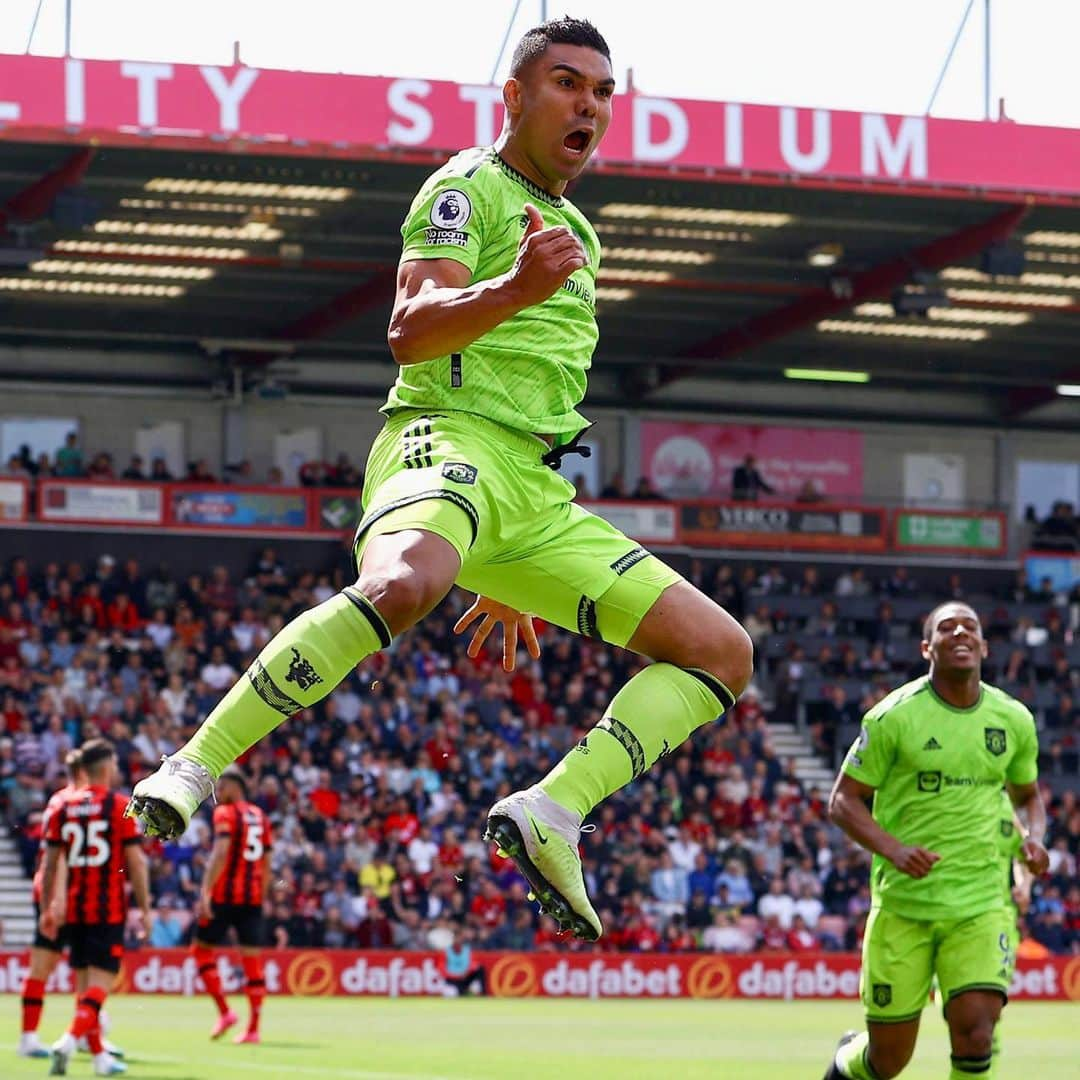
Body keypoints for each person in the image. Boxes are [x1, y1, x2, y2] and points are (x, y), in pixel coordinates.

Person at [128, 16, 751, 947]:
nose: (590, 105)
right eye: (569, 83)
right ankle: (194, 762)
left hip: (532, 494)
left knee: (722, 653)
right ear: (515, 96)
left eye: (604, 92)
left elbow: (536, 389)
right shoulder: (470, 184)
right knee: (404, 585)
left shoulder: (578, 229)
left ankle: (554, 811)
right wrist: (511, 291)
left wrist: (507, 575)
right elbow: (410, 330)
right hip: (443, 437)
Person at [823, 602, 1048, 1080]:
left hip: (980, 904)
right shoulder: (892, 718)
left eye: (971, 627)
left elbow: (1029, 797)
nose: (960, 632)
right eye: (947, 628)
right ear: (928, 647)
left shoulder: (1013, 719)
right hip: (904, 907)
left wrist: (1035, 839)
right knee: (887, 1061)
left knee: (976, 1033)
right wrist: (895, 850)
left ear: (984, 646)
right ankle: (846, 1062)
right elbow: (843, 801)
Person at [40, 739, 149, 1077]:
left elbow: (50, 864)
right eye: (114, 765)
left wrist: (47, 907)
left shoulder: (62, 806)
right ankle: (69, 1041)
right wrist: (144, 908)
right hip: (107, 908)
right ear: (105, 767)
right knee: (101, 981)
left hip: (74, 908)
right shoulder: (119, 806)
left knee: (85, 986)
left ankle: (100, 1058)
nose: (116, 770)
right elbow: (136, 862)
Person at [192, 767, 272, 1044]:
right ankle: (254, 1029)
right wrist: (262, 896)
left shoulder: (224, 813)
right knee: (252, 962)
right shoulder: (261, 816)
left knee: (201, 952)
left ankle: (226, 1012)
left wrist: (205, 892)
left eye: (221, 786)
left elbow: (221, 852)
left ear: (235, 786)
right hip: (252, 899)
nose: (218, 793)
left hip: (224, 897)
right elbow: (267, 862)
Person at [18, 749, 85, 1060]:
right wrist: (56, 901)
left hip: (56, 891)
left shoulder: (57, 802)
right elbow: (59, 858)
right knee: (82, 967)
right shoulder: (77, 803)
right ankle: (80, 1037)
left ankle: (31, 1037)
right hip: (63, 895)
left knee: (48, 967)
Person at [441, 928, 487, 996]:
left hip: (465, 977)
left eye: (459, 938)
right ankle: (465, 991)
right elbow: (442, 970)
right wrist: (456, 976)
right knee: (452, 994)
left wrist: (467, 972)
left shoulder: (466, 950)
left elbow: (473, 964)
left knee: (480, 968)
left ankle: (482, 993)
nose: (458, 940)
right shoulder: (446, 952)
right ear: (452, 939)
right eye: (456, 938)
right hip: (453, 980)